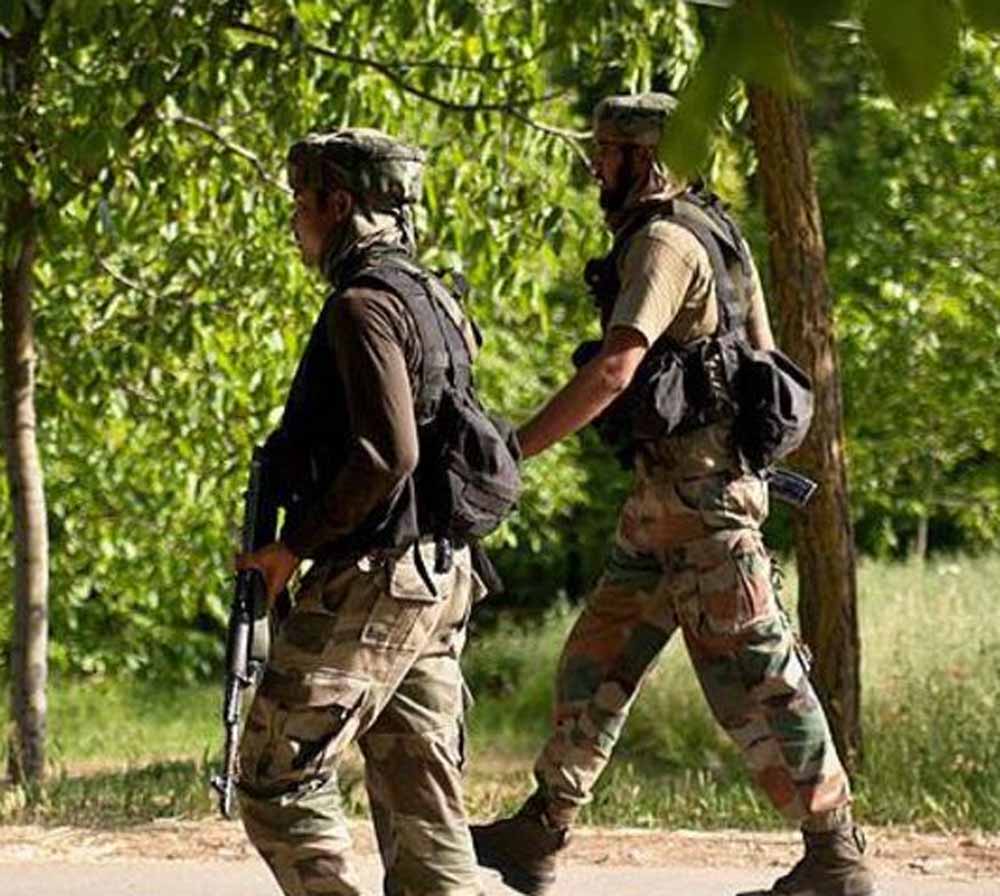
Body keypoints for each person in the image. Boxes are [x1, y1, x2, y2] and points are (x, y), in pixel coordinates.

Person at [470, 94, 877, 896]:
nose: (596, 166)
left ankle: (836, 854)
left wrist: (511, 450)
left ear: (647, 159)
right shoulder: (717, 233)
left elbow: (616, 370)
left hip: (702, 508)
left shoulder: (663, 242)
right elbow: (762, 357)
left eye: (608, 152)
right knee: (596, 657)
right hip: (668, 504)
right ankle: (541, 829)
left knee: (759, 676)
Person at [234, 128, 487, 896]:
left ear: (339, 204)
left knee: (276, 774)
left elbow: (388, 455)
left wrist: (292, 548)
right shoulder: (434, 298)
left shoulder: (362, 306)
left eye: (301, 203)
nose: (295, 222)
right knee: (422, 803)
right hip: (439, 576)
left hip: (378, 575)